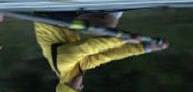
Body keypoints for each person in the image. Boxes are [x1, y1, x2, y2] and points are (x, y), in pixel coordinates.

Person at [34, 12, 168, 92]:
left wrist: (124, 39)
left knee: (107, 27)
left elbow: (89, 46)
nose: (82, 86)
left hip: (49, 16)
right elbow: (108, 55)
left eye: (79, 89)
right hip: (64, 21)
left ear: (72, 88)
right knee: (108, 26)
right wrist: (146, 47)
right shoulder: (78, 67)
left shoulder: (63, 64)